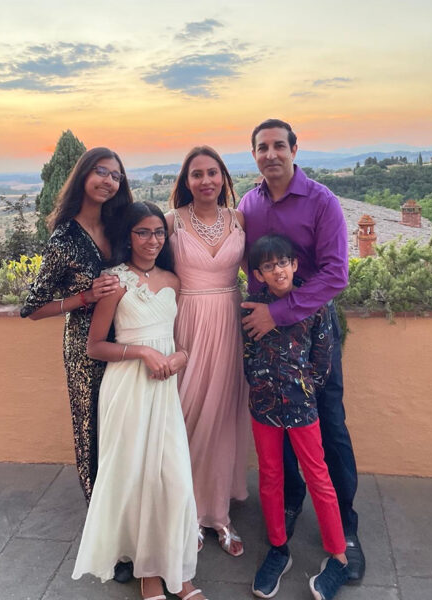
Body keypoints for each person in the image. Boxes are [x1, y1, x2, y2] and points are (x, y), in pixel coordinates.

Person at [238, 119, 365, 583]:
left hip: (312, 329)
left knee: (327, 424)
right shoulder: (248, 202)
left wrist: (282, 311)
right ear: (253, 155)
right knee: (275, 431)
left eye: (278, 146)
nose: (270, 154)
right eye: (261, 147)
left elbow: (336, 276)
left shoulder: (321, 200)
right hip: (263, 330)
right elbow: (246, 264)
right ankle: (286, 512)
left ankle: (346, 532)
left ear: (294, 149)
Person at [72, 201, 207, 600]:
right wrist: (142, 353)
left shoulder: (173, 280)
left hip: (163, 391)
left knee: (173, 478)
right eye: (143, 232)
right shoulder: (114, 282)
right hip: (127, 390)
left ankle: (176, 572)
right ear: (128, 237)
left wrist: (180, 357)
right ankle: (149, 574)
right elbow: (95, 347)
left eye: (158, 232)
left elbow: (178, 340)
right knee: (136, 478)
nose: (152, 240)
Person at [20, 147, 134, 584]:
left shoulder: (118, 225)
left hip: (125, 339)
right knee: (93, 436)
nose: (108, 181)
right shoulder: (65, 238)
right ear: (83, 176)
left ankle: (129, 523)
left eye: (116, 175)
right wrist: (86, 297)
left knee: (122, 432)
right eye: (101, 172)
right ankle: (107, 538)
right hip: (86, 350)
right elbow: (32, 307)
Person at [243, 234, 348, 600]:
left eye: (283, 262)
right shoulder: (251, 306)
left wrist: (304, 391)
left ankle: (338, 555)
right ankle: (277, 549)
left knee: (318, 475)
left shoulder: (314, 304)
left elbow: (323, 359)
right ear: (258, 273)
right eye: (269, 266)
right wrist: (260, 385)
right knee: (271, 476)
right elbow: (246, 353)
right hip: (264, 406)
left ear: (295, 264)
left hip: (303, 407)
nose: (278, 270)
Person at [165, 146, 250, 557]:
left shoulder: (240, 219)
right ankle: (188, 513)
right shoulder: (170, 223)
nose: (206, 181)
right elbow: (152, 269)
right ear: (186, 182)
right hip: (188, 326)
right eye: (196, 174)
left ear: (224, 178)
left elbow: (264, 268)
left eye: (213, 172)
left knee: (223, 417)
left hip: (230, 324)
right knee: (188, 416)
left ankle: (218, 515)